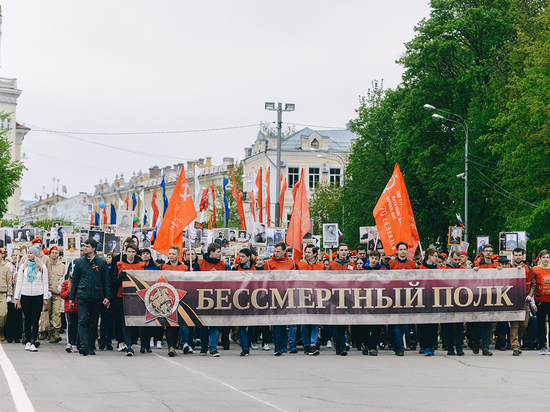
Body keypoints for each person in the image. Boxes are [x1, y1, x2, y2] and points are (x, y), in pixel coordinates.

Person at [68, 239, 111, 356]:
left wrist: (107, 296)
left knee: (93, 322)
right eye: (84, 246)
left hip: (97, 296)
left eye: (87, 246)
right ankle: (83, 346)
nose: (85, 248)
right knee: (82, 320)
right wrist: (71, 298)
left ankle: (91, 346)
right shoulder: (79, 262)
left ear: (93, 248)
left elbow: (106, 281)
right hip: (82, 295)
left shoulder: (101, 262)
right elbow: (74, 281)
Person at [13, 245, 49, 352]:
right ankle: (27, 340)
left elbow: (45, 283)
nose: (29, 255)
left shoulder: (42, 267)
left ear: (36, 255)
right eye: (28, 253)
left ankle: (33, 341)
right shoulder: (23, 267)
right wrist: (16, 297)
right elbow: (19, 282)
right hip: (25, 295)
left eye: (31, 253)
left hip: (38, 295)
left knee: (35, 319)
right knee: (27, 319)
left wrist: (45, 297)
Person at [197, 243, 231, 357]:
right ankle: (203, 347)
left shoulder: (224, 265)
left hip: (217, 297)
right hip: (203, 297)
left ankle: (213, 348)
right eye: (218, 252)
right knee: (203, 324)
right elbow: (193, 279)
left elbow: (228, 280)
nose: (220, 254)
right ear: (211, 252)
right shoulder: (200, 264)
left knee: (215, 323)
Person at [264, 242, 296, 356]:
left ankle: (284, 345)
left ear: (284, 252)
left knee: (285, 322)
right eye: (275, 251)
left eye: (278, 251)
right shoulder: (269, 263)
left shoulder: (291, 263)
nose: (276, 253)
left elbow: (294, 279)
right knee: (277, 322)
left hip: (287, 295)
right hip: (274, 295)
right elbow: (264, 279)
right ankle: (277, 346)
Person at [114, 243, 145, 356]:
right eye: (129, 252)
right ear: (125, 252)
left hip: (137, 297)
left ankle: (141, 343)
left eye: (133, 252)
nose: (131, 254)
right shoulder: (119, 264)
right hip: (123, 296)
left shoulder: (141, 265)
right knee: (125, 321)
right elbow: (113, 282)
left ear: (136, 253)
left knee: (137, 321)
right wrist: (119, 277)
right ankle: (129, 346)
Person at [353, 250, 386, 356]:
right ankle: (366, 344)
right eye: (373, 258)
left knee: (377, 325)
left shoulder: (383, 269)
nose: (374, 260)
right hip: (364, 299)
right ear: (369, 258)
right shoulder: (362, 268)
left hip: (378, 299)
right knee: (365, 325)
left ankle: (373, 346)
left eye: (376, 259)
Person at [472, 243, 501, 356]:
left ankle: (485, 348)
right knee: (478, 323)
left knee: (489, 323)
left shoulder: (496, 265)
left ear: (492, 253)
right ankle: (475, 343)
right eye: (486, 250)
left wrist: (501, 271)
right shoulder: (477, 264)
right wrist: (473, 271)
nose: (488, 253)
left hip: (492, 296)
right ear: (483, 252)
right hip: (479, 296)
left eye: (490, 251)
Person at [389, 241, 417, 356]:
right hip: (394, 296)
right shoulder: (391, 263)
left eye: (404, 249)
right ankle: (400, 347)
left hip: (408, 296)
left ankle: (403, 342)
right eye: (400, 249)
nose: (403, 251)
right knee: (396, 322)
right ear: (397, 251)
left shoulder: (412, 264)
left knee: (405, 321)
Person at [160, 245, 188, 357]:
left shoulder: (185, 268)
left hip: (181, 297)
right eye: (169, 253)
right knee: (169, 322)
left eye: (173, 254)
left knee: (179, 322)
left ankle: (180, 343)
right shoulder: (163, 267)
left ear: (178, 255)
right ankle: (171, 346)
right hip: (168, 298)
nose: (171, 256)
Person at [328, 243, 356, 356]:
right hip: (335, 296)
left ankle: (341, 345)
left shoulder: (353, 265)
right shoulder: (332, 264)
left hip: (348, 296)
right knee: (337, 322)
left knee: (343, 322)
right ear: (338, 252)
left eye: (346, 250)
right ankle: (340, 345)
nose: (344, 252)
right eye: (342, 250)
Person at [297, 244, 324, 356]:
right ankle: (306, 344)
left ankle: (313, 344)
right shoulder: (300, 264)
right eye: (305, 252)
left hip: (317, 295)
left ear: (315, 254)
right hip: (303, 295)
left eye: (309, 252)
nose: (306, 254)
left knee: (315, 322)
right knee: (304, 323)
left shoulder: (321, 266)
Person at [509, 248, 536, 356]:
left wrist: (530, 295)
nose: (518, 257)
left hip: (525, 300)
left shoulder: (528, 268)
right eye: (516, 255)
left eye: (520, 255)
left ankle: (517, 341)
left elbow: (533, 283)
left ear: (523, 256)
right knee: (514, 324)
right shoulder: (509, 268)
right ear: (513, 256)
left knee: (524, 324)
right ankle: (515, 347)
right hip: (512, 300)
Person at [417, 248, 439, 356]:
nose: (437, 258)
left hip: (435, 298)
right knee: (423, 323)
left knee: (433, 323)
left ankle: (432, 343)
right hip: (422, 297)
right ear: (429, 256)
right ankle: (424, 345)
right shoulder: (420, 268)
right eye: (435, 255)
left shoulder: (438, 268)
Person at [443, 250, 466, 356]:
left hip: (460, 300)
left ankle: (459, 348)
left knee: (459, 326)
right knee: (449, 326)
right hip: (448, 300)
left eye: (459, 260)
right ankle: (450, 347)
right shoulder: (444, 269)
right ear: (450, 258)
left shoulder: (463, 269)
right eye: (455, 259)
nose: (457, 262)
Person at [46, 246, 65, 343]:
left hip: (58, 294)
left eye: (56, 253)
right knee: (48, 313)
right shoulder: (46, 265)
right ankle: (50, 333)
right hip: (48, 293)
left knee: (57, 313)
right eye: (52, 252)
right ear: (49, 254)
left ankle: (56, 332)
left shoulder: (62, 266)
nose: (54, 254)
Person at [533, 250, 550, 355]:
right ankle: (542, 346)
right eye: (543, 257)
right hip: (540, 301)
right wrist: (533, 302)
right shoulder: (535, 270)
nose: (545, 259)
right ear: (540, 259)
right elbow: (532, 285)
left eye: (547, 257)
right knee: (541, 324)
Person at [60, 268, 78, 352]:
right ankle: (69, 342)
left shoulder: (79, 282)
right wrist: (69, 291)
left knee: (77, 325)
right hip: (68, 308)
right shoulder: (65, 283)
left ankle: (75, 343)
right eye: (71, 271)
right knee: (70, 325)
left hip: (78, 307)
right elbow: (62, 295)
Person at [0, 248, 14, 342]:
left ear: (2, 255)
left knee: (3, 314)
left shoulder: (6, 266)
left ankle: (1, 329)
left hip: (3, 293)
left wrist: (9, 294)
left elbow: (9, 281)